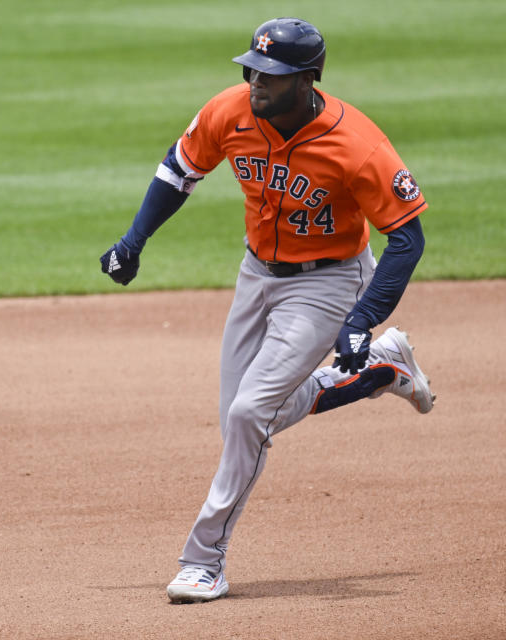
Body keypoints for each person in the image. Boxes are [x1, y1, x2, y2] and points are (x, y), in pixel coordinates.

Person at [99, 17, 435, 604]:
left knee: (250, 413)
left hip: (329, 282)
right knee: (245, 418)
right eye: (252, 69)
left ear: (308, 80)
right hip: (256, 274)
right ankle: (382, 369)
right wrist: (134, 241)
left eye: (273, 75)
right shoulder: (230, 112)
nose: (256, 81)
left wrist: (359, 319)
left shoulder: (358, 144)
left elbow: (408, 239)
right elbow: (179, 170)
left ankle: (204, 560)